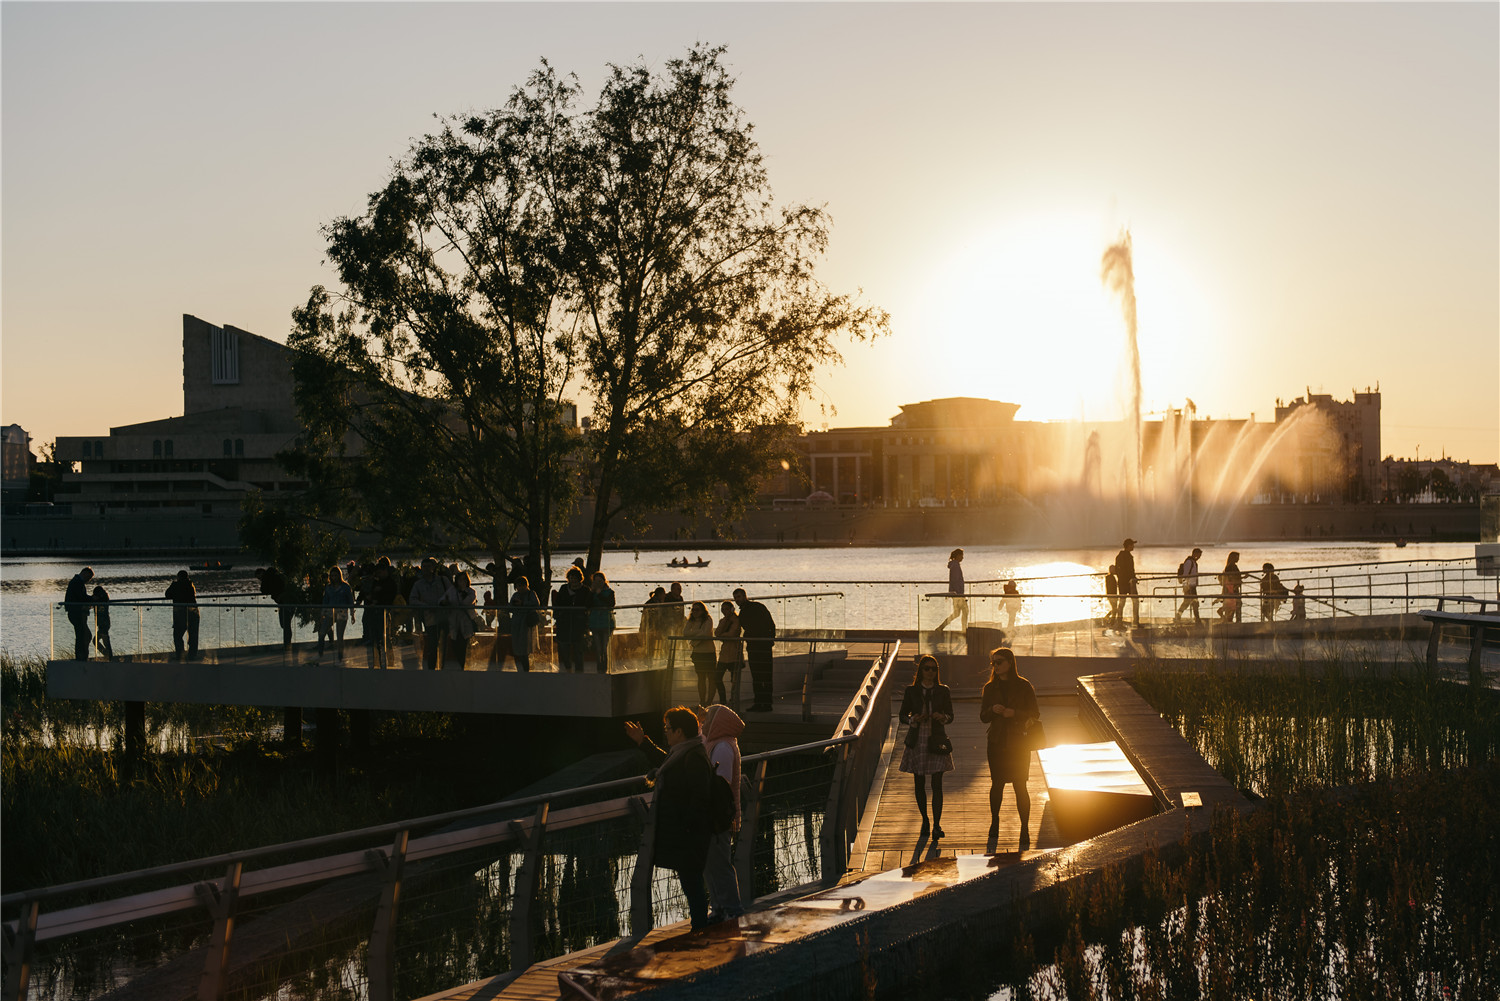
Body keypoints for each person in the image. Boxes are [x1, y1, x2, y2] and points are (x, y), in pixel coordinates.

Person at [624, 706, 714, 931]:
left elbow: (699, 795)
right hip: (686, 830)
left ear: (680, 732)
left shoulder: (693, 756)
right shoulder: (684, 753)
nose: (666, 732)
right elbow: (666, 763)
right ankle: (699, 927)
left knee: (691, 882)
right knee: (690, 881)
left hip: (689, 832)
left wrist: (687, 827)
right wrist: (643, 741)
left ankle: (700, 929)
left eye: (668, 728)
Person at [980, 647, 1040, 849]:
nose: (995, 666)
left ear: (1009, 663)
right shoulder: (990, 688)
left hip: (1018, 742)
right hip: (996, 742)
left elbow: (1035, 713)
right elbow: (983, 717)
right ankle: (994, 822)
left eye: (999, 662)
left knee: (1020, 785)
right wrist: (992, 710)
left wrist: (1014, 713)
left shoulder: (1024, 686)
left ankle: (1024, 828)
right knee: (997, 784)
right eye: (993, 663)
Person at [898, 655, 955, 839]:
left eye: (934, 669)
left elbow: (951, 715)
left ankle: (937, 824)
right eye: (927, 668)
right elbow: (902, 715)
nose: (931, 672)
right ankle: (925, 819)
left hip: (937, 738)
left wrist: (942, 717)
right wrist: (912, 719)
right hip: (918, 739)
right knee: (919, 783)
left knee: (937, 784)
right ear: (921, 670)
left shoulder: (943, 690)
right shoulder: (911, 691)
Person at [698, 703, 745, 922]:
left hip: (718, 816)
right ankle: (718, 908)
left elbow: (721, 781)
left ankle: (732, 910)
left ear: (717, 723)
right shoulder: (716, 743)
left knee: (720, 865)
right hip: (712, 816)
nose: (703, 723)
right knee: (711, 864)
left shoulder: (723, 748)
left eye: (707, 720)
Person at [733, 588, 777, 713]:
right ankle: (764, 703)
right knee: (763, 675)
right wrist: (770, 640)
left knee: (759, 676)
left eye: (739, 597)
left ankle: (761, 702)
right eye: (736, 598)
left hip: (757, 646)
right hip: (760, 646)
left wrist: (768, 640)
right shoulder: (756, 607)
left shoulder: (750, 610)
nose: (737, 600)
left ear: (744, 596)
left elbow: (768, 624)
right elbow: (770, 624)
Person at [408, 557, 449, 670]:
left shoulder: (443, 580)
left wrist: (442, 603)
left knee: (444, 643)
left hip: (444, 616)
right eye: (424, 567)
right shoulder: (418, 584)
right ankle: (431, 668)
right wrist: (425, 606)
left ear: (433, 568)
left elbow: (451, 593)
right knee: (432, 643)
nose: (426, 569)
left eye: (428, 566)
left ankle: (443, 666)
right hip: (429, 617)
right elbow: (412, 599)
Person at [552, 566, 591, 672]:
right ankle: (568, 668)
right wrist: (558, 615)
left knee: (579, 650)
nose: (573, 580)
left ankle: (579, 672)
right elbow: (558, 603)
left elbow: (588, 605)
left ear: (579, 578)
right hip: (564, 623)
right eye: (571, 578)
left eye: (575, 578)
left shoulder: (585, 590)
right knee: (564, 648)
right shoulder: (564, 588)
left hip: (579, 624)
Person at [685, 601, 718, 704]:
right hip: (698, 653)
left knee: (711, 678)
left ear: (703, 611)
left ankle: (709, 701)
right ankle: (702, 701)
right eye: (693, 609)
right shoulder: (691, 620)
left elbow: (705, 633)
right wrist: (698, 634)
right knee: (701, 678)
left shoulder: (708, 619)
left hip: (708, 652)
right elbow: (685, 633)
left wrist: (693, 640)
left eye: (697, 610)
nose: (695, 612)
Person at [319, 566, 355, 660]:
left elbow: (350, 600)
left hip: (342, 612)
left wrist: (352, 614)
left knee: (339, 636)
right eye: (332, 576)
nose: (334, 577)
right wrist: (322, 613)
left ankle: (340, 657)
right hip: (330, 612)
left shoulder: (345, 587)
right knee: (322, 632)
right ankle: (320, 653)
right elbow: (325, 601)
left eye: (335, 575)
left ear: (339, 575)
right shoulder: (328, 588)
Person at [446, 569, 479, 668]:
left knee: (465, 643)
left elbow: (465, 603)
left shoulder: (471, 592)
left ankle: (464, 665)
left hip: (466, 622)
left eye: (464, 580)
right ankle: (461, 664)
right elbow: (444, 599)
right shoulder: (452, 590)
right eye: (460, 580)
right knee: (455, 643)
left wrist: (454, 602)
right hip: (454, 622)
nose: (462, 582)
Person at [255, 566, 296, 646]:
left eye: (259, 577)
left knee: (285, 624)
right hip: (287, 601)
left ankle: (287, 645)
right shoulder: (274, 576)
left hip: (284, 602)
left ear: (262, 574)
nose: (260, 579)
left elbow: (264, 590)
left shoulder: (267, 578)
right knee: (286, 624)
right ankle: (287, 644)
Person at [165, 570, 200, 662]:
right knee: (193, 635)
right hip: (193, 612)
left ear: (178, 577)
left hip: (180, 613)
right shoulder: (191, 585)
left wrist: (173, 584)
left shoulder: (176, 585)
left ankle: (180, 655)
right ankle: (192, 655)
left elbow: (167, 595)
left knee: (177, 635)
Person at [715, 600, 744, 708]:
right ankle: (723, 700)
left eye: (726, 609)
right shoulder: (723, 620)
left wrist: (723, 635)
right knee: (717, 678)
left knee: (734, 680)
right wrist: (725, 624)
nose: (724, 611)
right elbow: (717, 633)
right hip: (724, 654)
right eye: (722, 609)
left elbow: (732, 633)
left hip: (734, 654)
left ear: (732, 609)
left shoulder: (736, 620)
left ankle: (733, 700)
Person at [508, 577, 540, 672]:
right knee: (517, 646)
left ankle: (527, 669)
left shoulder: (531, 594)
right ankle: (521, 668)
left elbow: (536, 604)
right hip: (516, 623)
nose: (520, 588)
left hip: (526, 623)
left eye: (522, 585)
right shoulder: (515, 595)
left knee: (525, 647)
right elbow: (510, 607)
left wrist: (523, 603)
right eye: (518, 586)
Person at [933, 548, 968, 634]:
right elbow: (955, 581)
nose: (963, 557)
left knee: (957, 613)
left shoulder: (954, 565)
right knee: (965, 611)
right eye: (961, 555)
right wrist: (960, 595)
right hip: (958, 594)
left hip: (956, 594)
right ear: (957, 556)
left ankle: (941, 627)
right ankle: (964, 631)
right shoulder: (955, 566)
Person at [588, 571, 617, 674]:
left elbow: (611, 604)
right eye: (596, 581)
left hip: (606, 622)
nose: (598, 583)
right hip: (595, 622)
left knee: (604, 646)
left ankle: (605, 667)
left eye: (600, 581)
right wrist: (592, 592)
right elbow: (588, 604)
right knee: (598, 646)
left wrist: (599, 594)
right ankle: (599, 667)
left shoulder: (610, 592)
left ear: (604, 581)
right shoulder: (591, 593)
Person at [64, 566, 95, 660]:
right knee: (82, 635)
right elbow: (81, 597)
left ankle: (82, 656)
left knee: (83, 635)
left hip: (75, 612)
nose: (88, 580)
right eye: (89, 578)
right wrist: (93, 599)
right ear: (84, 573)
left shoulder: (76, 581)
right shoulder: (77, 582)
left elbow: (80, 597)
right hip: (76, 613)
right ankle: (81, 656)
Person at [1114, 538, 1139, 626]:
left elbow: (1118, 571)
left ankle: (1119, 621)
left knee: (1122, 602)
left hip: (1122, 583)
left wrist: (1122, 580)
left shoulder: (1119, 556)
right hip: (1129, 583)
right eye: (1132, 545)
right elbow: (1130, 571)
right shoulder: (1128, 557)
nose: (1133, 546)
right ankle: (1135, 622)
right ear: (1128, 546)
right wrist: (1132, 579)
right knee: (1135, 601)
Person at [1173, 548, 1203, 624]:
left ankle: (1195, 618)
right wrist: (1185, 586)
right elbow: (1185, 575)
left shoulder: (1193, 562)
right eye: (1199, 555)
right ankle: (1196, 619)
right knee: (1192, 602)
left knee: (1191, 602)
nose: (1199, 557)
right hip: (1189, 586)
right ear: (1195, 554)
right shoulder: (1189, 562)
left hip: (1192, 586)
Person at [1217, 551, 1243, 624]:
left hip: (1230, 588)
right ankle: (1236, 621)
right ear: (1233, 558)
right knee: (1236, 604)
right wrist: (1240, 580)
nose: (1238, 559)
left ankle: (1229, 620)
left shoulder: (1229, 566)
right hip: (1232, 589)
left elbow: (1234, 577)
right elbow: (1232, 578)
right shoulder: (1232, 566)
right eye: (1237, 557)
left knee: (1232, 605)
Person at [91, 584, 114, 660]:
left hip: (103, 623)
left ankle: (108, 656)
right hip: (104, 623)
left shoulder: (101, 600)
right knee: (104, 640)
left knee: (101, 640)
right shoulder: (103, 599)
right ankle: (108, 655)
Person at [1103, 565, 1122, 631]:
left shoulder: (1110, 577)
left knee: (1114, 609)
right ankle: (1109, 619)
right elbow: (1111, 588)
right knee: (1115, 609)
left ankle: (1111, 621)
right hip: (1112, 596)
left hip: (1112, 595)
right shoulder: (1110, 577)